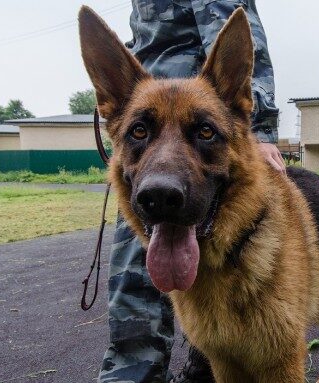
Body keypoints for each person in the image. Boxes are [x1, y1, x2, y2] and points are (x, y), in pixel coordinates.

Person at [98, 1, 284, 383]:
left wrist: (258, 131)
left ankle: (208, 363)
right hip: (144, 96)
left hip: (209, 96)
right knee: (138, 280)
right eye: (138, 131)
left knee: (234, 265)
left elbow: (233, 25)